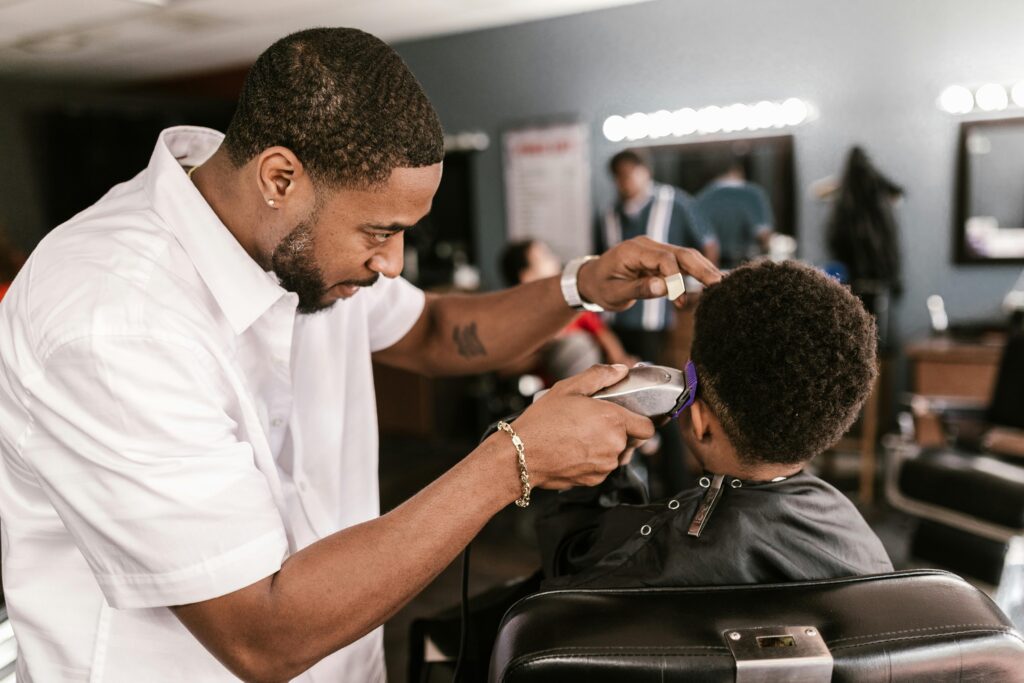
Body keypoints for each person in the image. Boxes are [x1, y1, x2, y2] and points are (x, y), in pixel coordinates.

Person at [0, 28, 720, 683]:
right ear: (280, 178)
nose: (392, 261)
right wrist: (514, 459)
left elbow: (436, 330)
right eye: (380, 230)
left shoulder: (303, 246)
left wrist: (580, 284)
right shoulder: (111, 319)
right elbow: (262, 635)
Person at [539, 260, 893, 589]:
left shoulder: (644, 558)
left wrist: (607, 469)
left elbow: (568, 568)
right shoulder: (864, 552)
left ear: (699, 418)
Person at [598, 150, 718, 495]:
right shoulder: (608, 215)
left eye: (631, 173)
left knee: (664, 401)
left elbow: (705, 245)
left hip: (662, 321)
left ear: (645, 172)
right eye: (619, 175)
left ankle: (676, 489)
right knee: (621, 401)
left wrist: (694, 287)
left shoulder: (674, 203)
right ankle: (632, 488)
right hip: (618, 321)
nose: (625, 181)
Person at [499, 239, 637, 381]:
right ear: (527, 276)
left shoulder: (570, 304)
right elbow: (506, 368)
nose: (555, 260)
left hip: (591, 378)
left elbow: (602, 333)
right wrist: (544, 349)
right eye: (545, 257)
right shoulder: (520, 320)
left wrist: (620, 359)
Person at [696, 153, 775, 269]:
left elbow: (704, 241)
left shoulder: (703, 197)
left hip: (716, 266)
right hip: (748, 265)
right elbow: (763, 235)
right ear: (737, 169)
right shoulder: (753, 194)